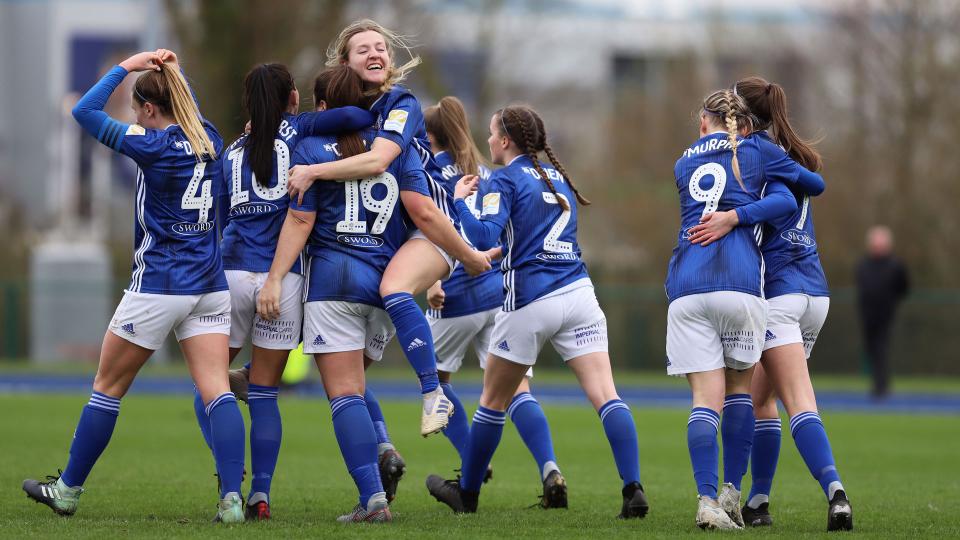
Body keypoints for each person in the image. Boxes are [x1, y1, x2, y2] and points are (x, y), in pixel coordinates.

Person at [23, 50, 247, 523]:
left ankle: (66, 491)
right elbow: (184, 103)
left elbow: (83, 111)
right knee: (216, 392)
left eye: (135, 106)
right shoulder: (209, 137)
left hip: (159, 284)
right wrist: (172, 70)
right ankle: (230, 501)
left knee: (107, 388)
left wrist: (129, 64)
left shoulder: (152, 143)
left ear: (147, 110)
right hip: (209, 284)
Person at [424, 105, 647, 519]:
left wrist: (458, 204)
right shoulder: (557, 179)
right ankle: (633, 489)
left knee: (492, 401)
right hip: (580, 294)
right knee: (606, 396)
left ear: (506, 141)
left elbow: (481, 235)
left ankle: (466, 494)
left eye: (492, 133)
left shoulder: (505, 179)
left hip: (530, 299)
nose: (488, 140)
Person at [286, 19, 492, 437]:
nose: (375, 53)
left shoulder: (401, 102)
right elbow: (306, 124)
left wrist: (312, 171)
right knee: (348, 377)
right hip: (393, 241)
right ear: (344, 63)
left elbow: (382, 164)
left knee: (393, 290)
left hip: (434, 224)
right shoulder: (349, 116)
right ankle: (387, 451)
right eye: (363, 49)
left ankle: (432, 394)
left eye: (380, 47)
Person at [189, 62, 375, 520]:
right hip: (284, 277)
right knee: (266, 394)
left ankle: (230, 482)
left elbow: (216, 215)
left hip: (230, 275)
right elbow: (358, 118)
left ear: (248, 106)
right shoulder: (301, 137)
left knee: (211, 387)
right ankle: (262, 495)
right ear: (293, 98)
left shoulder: (231, 151)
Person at [255, 65, 439, 523]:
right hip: (383, 284)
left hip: (335, 281)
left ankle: (373, 501)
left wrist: (276, 277)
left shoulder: (310, 146)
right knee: (358, 387)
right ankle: (384, 446)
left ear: (324, 107)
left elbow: (301, 221)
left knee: (344, 396)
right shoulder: (390, 149)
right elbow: (420, 213)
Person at [694, 76, 854, 532]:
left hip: (780, 295)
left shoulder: (752, 155)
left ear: (739, 116)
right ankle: (758, 502)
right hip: (815, 295)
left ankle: (836, 492)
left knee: (795, 400)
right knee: (761, 397)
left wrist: (731, 217)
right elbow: (816, 183)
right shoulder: (790, 154)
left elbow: (783, 200)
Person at [667, 88, 803, 529]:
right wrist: (741, 214)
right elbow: (807, 188)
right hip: (741, 283)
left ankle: (705, 500)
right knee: (741, 391)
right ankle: (731, 492)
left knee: (705, 399)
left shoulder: (682, 161)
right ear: (742, 124)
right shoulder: (755, 153)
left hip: (688, 285)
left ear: (704, 121)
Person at [423, 97, 565, 507]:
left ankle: (472, 462)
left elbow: (430, 226)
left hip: (453, 291)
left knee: (434, 382)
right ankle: (550, 468)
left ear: (429, 137)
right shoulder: (484, 169)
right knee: (516, 388)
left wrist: (432, 278)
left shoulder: (431, 170)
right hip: (496, 293)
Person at [856, 225, 909, 398]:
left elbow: (903, 287)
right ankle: (877, 384)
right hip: (867, 315)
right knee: (871, 349)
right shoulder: (863, 265)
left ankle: (881, 387)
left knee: (881, 349)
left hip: (886, 315)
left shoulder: (896, 265)